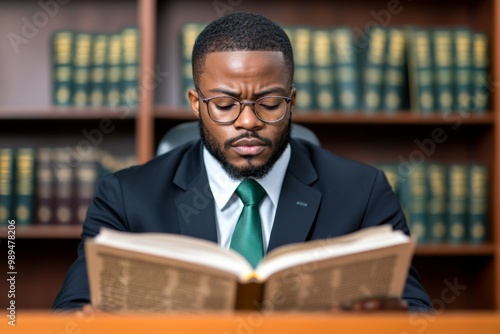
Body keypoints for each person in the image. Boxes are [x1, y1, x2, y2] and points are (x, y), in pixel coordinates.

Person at [53, 12, 433, 312]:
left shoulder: (363, 192)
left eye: (269, 104)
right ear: (195, 104)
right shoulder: (126, 197)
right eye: (224, 105)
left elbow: (418, 313)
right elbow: (70, 314)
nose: (248, 122)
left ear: (292, 102)